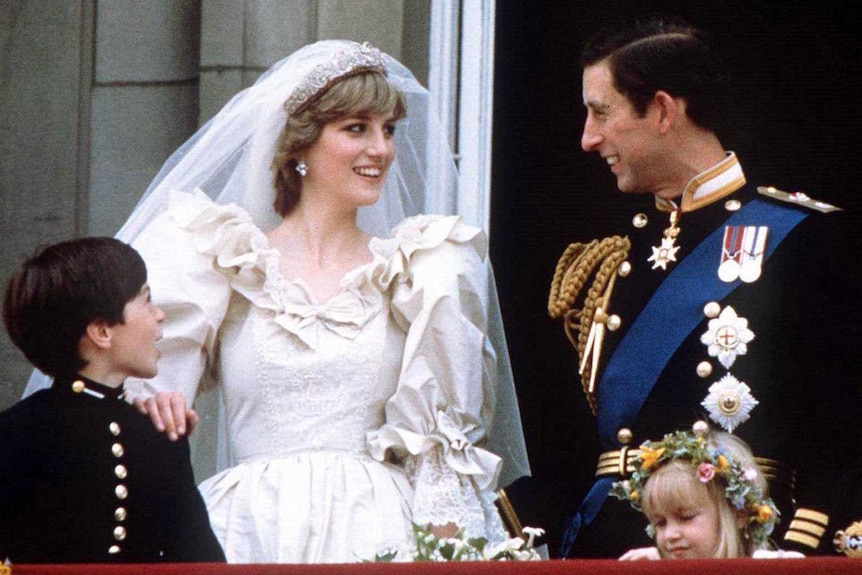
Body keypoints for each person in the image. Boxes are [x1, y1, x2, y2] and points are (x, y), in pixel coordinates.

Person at [20, 40, 529, 563]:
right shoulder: (222, 261)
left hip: (382, 533)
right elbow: (136, 411)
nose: (381, 149)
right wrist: (152, 406)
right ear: (300, 145)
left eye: (388, 129)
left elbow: (440, 459)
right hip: (249, 533)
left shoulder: (420, 270)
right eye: (356, 128)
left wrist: (442, 561)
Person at [547, 18, 862, 558]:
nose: (588, 137)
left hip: (743, 545)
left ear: (664, 110)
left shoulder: (801, 238)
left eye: (602, 112)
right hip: (617, 548)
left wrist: (797, 548)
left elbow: (844, 430)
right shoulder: (613, 258)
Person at [0, 237, 225, 564]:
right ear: (102, 332)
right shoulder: (18, 433)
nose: (160, 315)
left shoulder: (159, 436)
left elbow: (202, 565)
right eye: (146, 300)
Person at [611, 427, 792, 560]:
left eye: (686, 517)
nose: (670, 535)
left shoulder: (774, 568)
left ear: (740, 513)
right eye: (660, 523)